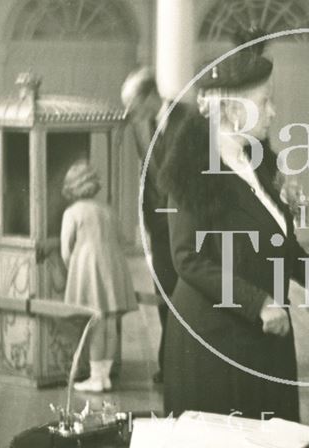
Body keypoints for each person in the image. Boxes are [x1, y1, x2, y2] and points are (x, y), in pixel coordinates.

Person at [159, 45, 309, 420]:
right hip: (216, 341)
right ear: (233, 110)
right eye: (265, 101)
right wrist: (258, 303)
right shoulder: (194, 168)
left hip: (262, 333)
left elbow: (273, 234)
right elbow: (187, 257)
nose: (274, 112)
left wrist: (308, 270)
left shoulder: (258, 159)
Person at [121, 67, 194, 384]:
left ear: (150, 96)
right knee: (165, 295)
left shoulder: (188, 119)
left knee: (186, 298)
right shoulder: (143, 126)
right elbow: (148, 178)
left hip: (186, 228)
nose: (129, 112)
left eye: (132, 104)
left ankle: (186, 366)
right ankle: (171, 364)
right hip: (158, 228)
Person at [60, 160, 138, 392]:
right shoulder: (107, 210)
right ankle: (105, 376)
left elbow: (66, 249)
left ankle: (95, 377)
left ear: (70, 188)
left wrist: (71, 269)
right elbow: (123, 239)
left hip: (88, 267)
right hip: (113, 267)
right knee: (111, 322)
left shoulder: (72, 212)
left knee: (95, 323)